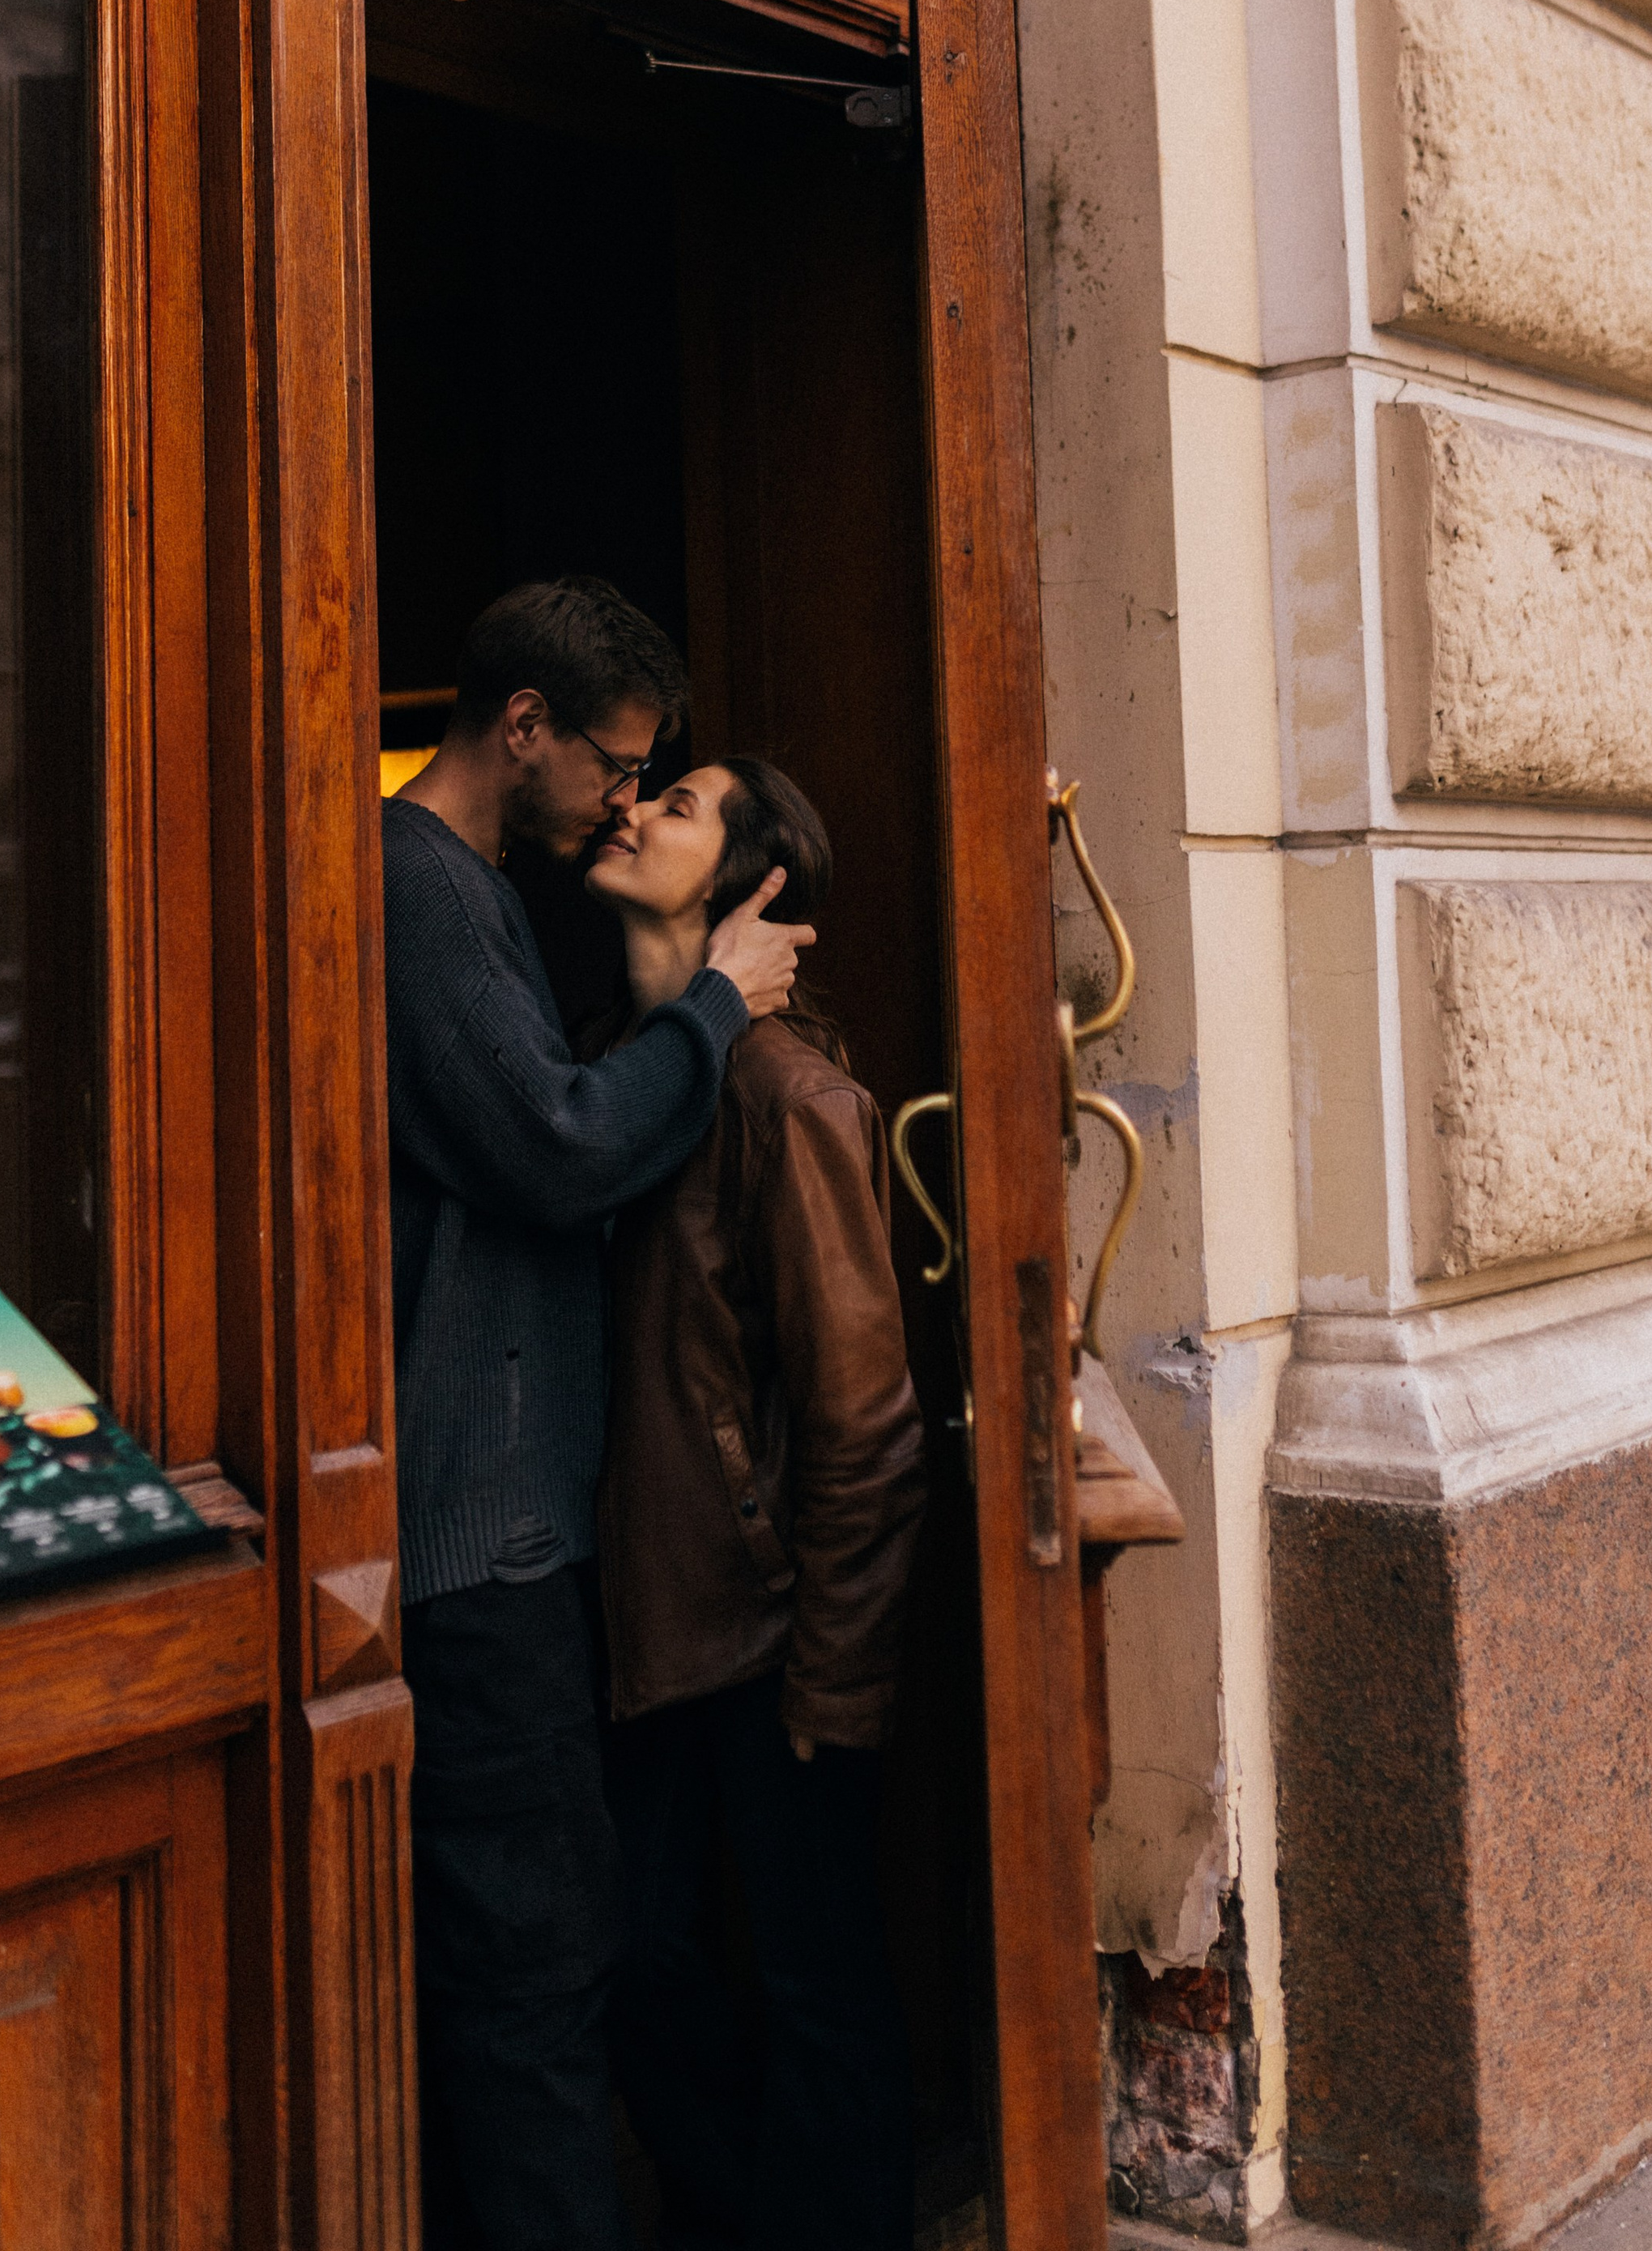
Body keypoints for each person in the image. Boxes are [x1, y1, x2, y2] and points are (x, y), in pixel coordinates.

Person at [383, 582, 813, 2251]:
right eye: (616, 765)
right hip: (478, 1551)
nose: (623, 800)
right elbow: (556, 1145)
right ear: (522, 728)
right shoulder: (423, 885)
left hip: (516, 1543)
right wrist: (715, 1003)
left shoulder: (474, 889)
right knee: (535, 1979)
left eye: (653, 781)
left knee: (544, 1964)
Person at [586, 756, 927, 2251]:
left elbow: (867, 1420)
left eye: (676, 806)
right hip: (641, 1617)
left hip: (767, 1633)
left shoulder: (790, 1097)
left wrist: (834, 1682)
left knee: (814, 1983)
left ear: (750, 884)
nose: (632, 809)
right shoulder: (620, 1066)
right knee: (635, 1960)